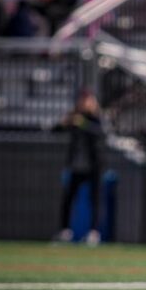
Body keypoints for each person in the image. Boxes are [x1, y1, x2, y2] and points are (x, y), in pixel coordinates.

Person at [53, 90, 104, 245]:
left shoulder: (94, 118)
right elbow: (55, 129)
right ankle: (65, 231)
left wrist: (82, 123)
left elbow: (100, 132)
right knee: (68, 199)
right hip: (76, 167)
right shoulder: (74, 117)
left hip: (93, 167)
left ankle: (93, 233)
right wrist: (66, 122)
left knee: (94, 200)